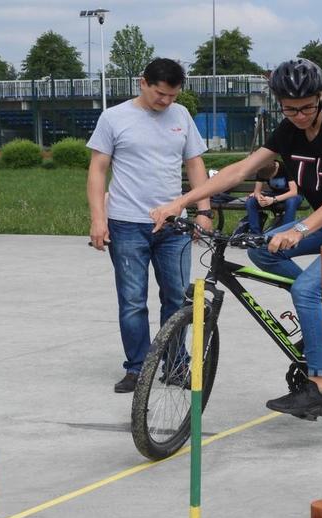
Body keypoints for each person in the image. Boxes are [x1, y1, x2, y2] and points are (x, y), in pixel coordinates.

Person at [150, 58, 322, 419]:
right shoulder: (287, 130)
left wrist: (300, 229)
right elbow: (241, 169)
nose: (298, 116)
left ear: (320, 97)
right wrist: (180, 201)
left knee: (306, 289)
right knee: (263, 250)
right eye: (289, 109)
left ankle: (318, 387)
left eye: (305, 108)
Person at [87, 58, 213, 393]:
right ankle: (138, 368)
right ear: (142, 82)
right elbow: (98, 169)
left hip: (174, 228)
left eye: (173, 95)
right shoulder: (114, 117)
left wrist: (204, 210)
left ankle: (175, 365)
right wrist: (98, 218)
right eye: (160, 94)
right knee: (132, 299)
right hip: (127, 223)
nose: (166, 102)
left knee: (176, 297)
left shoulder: (181, 116)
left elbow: (195, 164)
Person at [242, 159, 301, 233]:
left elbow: (293, 192)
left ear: (276, 168)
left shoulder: (286, 167)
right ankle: (255, 234)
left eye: (271, 176)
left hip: (292, 196)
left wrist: (273, 200)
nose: (269, 179)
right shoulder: (262, 168)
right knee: (250, 201)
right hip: (274, 194)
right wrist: (259, 198)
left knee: (291, 201)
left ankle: (285, 232)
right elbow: (257, 191)